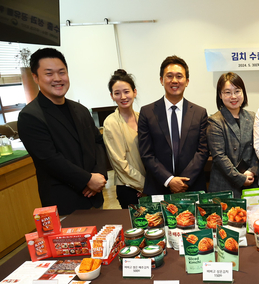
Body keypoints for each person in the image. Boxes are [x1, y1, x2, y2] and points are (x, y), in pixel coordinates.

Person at [18, 48, 107, 215]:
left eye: (62, 72)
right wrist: (87, 180)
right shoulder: (30, 116)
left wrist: (99, 175)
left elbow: (97, 142)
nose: (57, 79)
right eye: (49, 73)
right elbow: (50, 159)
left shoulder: (80, 109)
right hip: (65, 204)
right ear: (35, 77)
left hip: (95, 198)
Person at [138, 55, 209, 195]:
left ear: (187, 81)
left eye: (179, 76)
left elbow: (202, 151)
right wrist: (169, 180)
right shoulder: (147, 112)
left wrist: (183, 182)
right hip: (159, 187)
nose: (174, 80)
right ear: (161, 80)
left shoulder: (200, 113)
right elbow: (146, 153)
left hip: (192, 187)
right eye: (169, 76)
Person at [207, 72, 259, 197]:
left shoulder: (252, 117)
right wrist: (240, 178)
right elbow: (219, 157)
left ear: (243, 93)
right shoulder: (215, 120)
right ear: (220, 95)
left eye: (237, 91)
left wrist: (252, 171)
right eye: (227, 92)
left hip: (251, 181)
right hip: (224, 185)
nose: (233, 96)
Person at [103, 69, 146, 208]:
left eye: (126, 91)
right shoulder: (111, 123)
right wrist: (143, 185)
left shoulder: (142, 117)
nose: (123, 97)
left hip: (148, 187)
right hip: (129, 188)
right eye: (117, 93)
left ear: (134, 92)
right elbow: (120, 164)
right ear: (111, 96)